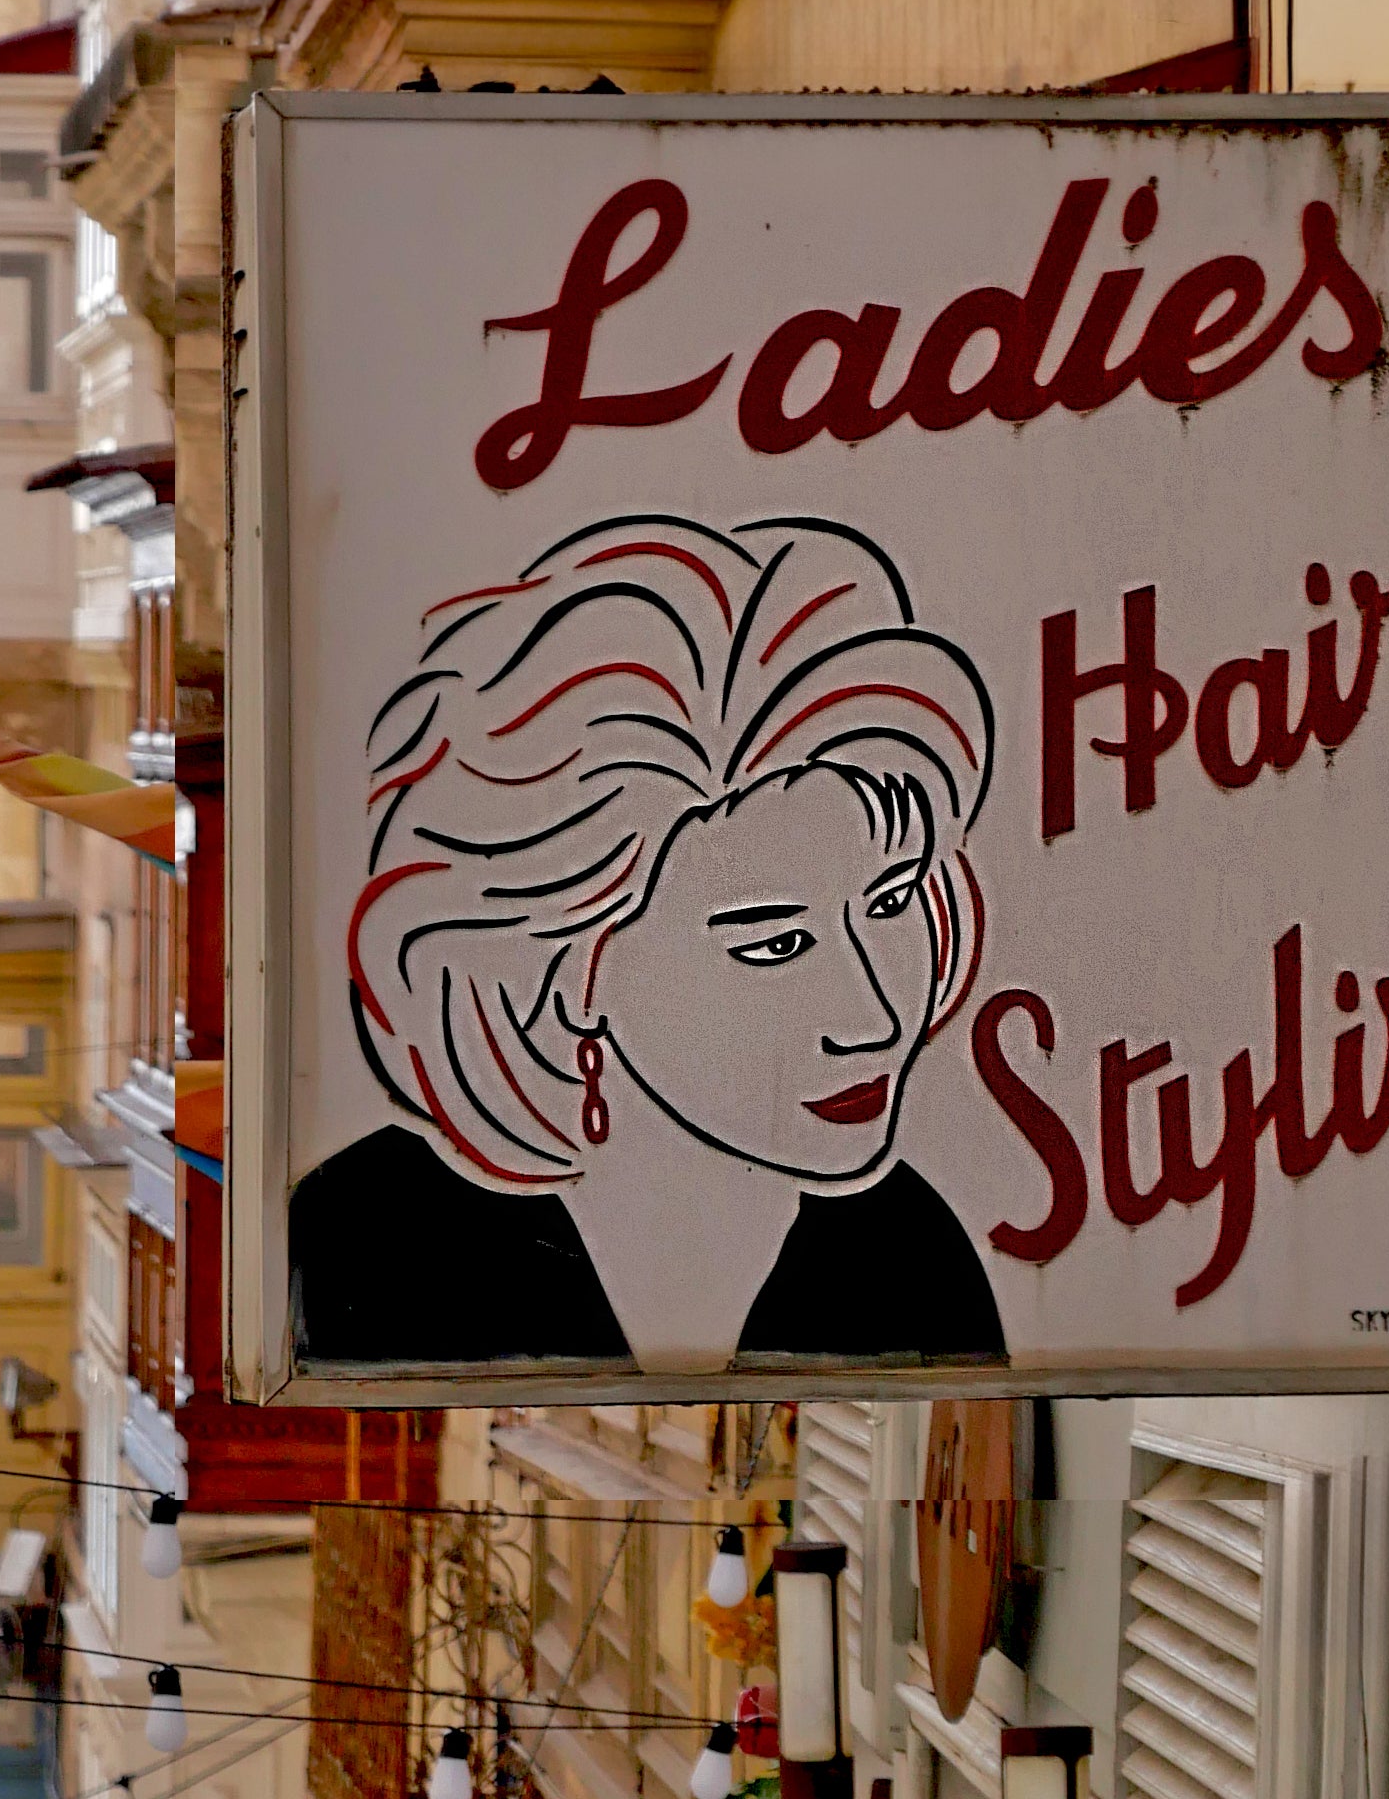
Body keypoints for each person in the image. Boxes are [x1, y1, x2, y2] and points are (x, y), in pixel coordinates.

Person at [292, 509, 1005, 1372]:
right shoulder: (364, 1237)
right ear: (574, 965)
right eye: (775, 944)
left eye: (889, 903)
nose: (875, 1016)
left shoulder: (908, 1252)